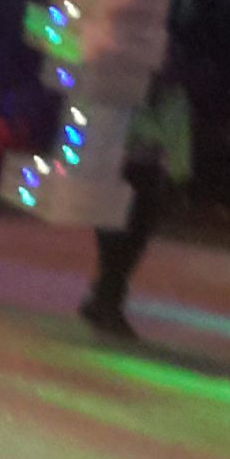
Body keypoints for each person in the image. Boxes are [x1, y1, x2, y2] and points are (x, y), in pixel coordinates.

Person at [81, 73, 194, 340]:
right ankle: (107, 303)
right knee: (116, 240)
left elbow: (179, 135)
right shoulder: (122, 82)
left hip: (143, 171)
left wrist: (179, 177)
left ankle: (102, 299)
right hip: (116, 168)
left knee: (130, 240)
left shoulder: (171, 94)